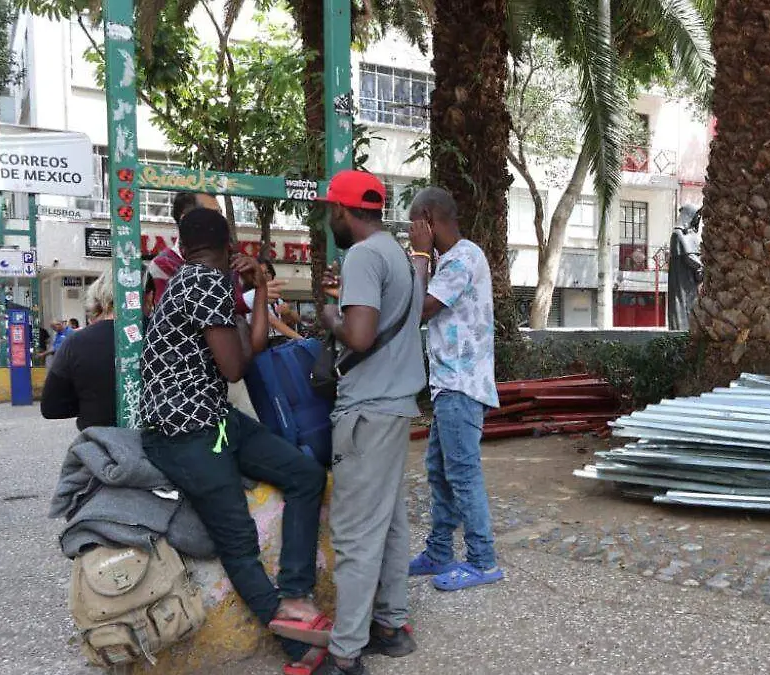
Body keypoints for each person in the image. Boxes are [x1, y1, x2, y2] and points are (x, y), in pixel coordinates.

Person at [138, 208, 330, 674]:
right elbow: (236, 366)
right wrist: (238, 289)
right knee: (238, 542)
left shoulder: (199, 280)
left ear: (185, 246)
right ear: (228, 244)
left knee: (305, 474)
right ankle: (297, 644)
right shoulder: (201, 282)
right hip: (185, 434)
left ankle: (297, 593)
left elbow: (252, 347)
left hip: (215, 419)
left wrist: (259, 289)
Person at [316, 170, 426, 675]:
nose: (328, 220)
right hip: (397, 404)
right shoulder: (399, 254)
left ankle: (345, 654)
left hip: (367, 409)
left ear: (342, 210)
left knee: (357, 531)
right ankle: (391, 624)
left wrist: (329, 316)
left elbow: (359, 337)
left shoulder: (361, 255)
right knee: (390, 521)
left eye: (328, 211)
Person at [405, 186, 504, 593]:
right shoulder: (452, 260)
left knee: (462, 473)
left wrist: (420, 256)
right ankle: (439, 550)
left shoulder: (463, 257)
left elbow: (419, 307)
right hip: (449, 384)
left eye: (414, 222)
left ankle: (482, 560)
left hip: (461, 385)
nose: (411, 231)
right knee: (440, 472)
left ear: (428, 218)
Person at [41, 276, 118, 429]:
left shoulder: (76, 342)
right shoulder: (166, 337)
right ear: (149, 296)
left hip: (99, 443)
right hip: (160, 447)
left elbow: (52, 408)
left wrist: (91, 404)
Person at [243, 259, 302, 345]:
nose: (265, 276)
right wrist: (301, 339)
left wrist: (288, 312)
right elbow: (273, 322)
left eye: (267, 272)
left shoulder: (275, 298)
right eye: (260, 273)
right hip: (262, 344)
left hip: (278, 342)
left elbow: (297, 319)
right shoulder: (251, 296)